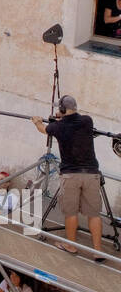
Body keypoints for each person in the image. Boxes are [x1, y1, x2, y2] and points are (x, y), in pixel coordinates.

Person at [32, 95, 104, 255]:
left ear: (62, 110)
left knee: (71, 213)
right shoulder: (87, 121)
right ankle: (98, 252)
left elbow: (44, 129)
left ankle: (71, 246)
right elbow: (72, 121)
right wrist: (61, 117)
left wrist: (37, 122)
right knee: (94, 214)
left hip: (71, 175)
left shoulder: (57, 128)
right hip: (91, 174)